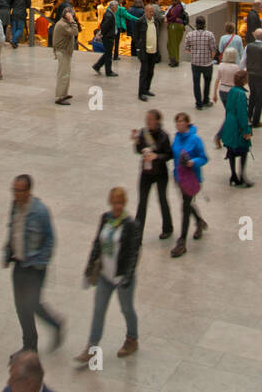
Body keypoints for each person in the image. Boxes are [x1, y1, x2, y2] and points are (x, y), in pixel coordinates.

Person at [75, 187, 141, 362]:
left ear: (124, 203)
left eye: (120, 202)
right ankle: (92, 347)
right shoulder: (105, 219)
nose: (117, 206)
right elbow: (97, 244)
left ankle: (132, 338)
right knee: (98, 310)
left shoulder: (131, 224)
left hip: (121, 276)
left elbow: (134, 253)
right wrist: (89, 268)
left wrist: (127, 277)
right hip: (105, 274)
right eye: (114, 202)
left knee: (126, 308)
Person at [3, 175, 64, 352]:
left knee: (31, 305)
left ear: (28, 191)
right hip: (19, 264)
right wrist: (8, 251)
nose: (15, 194)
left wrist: (40, 262)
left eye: (19, 190)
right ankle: (32, 343)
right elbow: (13, 229)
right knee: (22, 306)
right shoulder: (14, 206)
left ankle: (34, 343)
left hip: (34, 267)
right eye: (13, 190)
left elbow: (50, 240)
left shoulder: (40, 211)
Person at [170, 112, 208, 258]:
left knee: (185, 207)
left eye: (181, 122)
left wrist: (193, 162)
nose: (178, 124)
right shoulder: (176, 138)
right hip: (179, 178)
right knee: (186, 204)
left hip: (192, 178)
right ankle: (199, 221)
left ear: (187, 123)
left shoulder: (195, 139)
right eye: (177, 122)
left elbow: (204, 157)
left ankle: (182, 242)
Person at [132, 110, 174, 239]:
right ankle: (137, 234)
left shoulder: (164, 136)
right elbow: (138, 150)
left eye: (150, 119)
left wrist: (156, 156)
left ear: (157, 121)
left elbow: (169, 154)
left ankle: (167, 228)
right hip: (146, 172)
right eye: (147, 119)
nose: (148, 121)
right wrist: (137, 142)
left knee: (162, 199)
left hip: (160, 173)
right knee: (142, 203)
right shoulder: (143, 133)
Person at [220, 71, 252, 187]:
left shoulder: (232, 91)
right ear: (244, 80)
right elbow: (242, 114)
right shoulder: (241, 94)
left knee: (231, 151)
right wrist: (246, 129)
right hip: (237, 126)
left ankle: (233, 174)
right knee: (243, 150)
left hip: (229, 122)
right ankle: (242, 176)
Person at [183, 15, 217, 111]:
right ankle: (205, 100)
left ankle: (198, 104)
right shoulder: (210, 35)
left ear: (196, 24)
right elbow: (213, 49)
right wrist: (211, 58)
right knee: (207, 82)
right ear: (204, 24)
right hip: (207, 64)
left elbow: (186, 48)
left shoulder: (190, 35)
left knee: (196, 83)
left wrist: (194, 53)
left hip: (195, 64)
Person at [132, 2, 160, 101]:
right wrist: (139, 49)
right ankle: (141, 93)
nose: (152, 13)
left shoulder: (155, 21)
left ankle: (147, 89)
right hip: (144, 51)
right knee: (144, 72)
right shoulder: (140, 22)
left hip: (153, 51)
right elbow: (135, 37)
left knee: (151, 72)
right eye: (150, 11)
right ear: (145, 12)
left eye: (153, 12)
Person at [51, 5, 78, 106]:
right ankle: (60, 97)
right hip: (63, 52)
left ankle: (64, 93)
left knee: (66, 74)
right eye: (72, 15)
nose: (73, 16)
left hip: (65, 52)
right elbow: (75, 32)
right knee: (63, 75)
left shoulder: (64, 23)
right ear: (68, 15)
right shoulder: (63, 25)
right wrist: (72, 21)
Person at [92, 0, 119, 77]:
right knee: (108, 55)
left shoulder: (109, 14)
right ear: (112, 7)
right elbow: (104, 26)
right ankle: (108, 71)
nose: (117, 8)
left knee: (108, 53)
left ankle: (97, 66)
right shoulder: (109, 15)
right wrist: (101, 34)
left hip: (108, 36)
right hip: (108, 37)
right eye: (116, 7)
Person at [164, 0, 188, 67]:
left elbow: (173, 17)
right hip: (176, 26)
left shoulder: (177, 7)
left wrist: (168, 19)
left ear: (175, 0)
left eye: (172, 0)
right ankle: (174, 60)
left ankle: (174, 60)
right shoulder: (175, 6)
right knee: (172, 44)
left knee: (173, 44)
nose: (171, 2)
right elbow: (168, 14)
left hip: (175, 26)